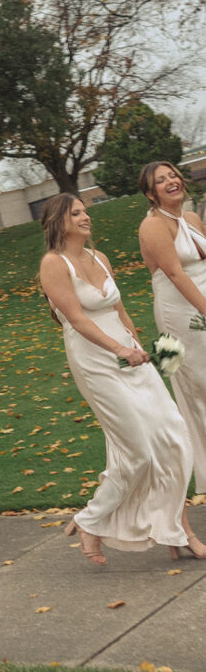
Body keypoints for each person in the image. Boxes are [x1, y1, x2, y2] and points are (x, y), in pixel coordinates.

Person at [39, 193, 194, 564]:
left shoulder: (99, 258)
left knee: (173, 434)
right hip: (95, 360)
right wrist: (118, 350)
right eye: (76, 213)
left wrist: (134, 343)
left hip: (130, 356)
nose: (85, 217)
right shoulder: (53, 264)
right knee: (138, 451)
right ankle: (91, 521)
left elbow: (118, 309)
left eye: (85, 211)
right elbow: (76, 319)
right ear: (59, 221)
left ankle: (174, 529)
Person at [138, 161, 206, 557]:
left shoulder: (193, 217)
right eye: (160, 180)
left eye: (173, 175)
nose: (171, 181)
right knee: (194, 402)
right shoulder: (152, 226)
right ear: (151, 193)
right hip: (182, 319)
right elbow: (177, 276)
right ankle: (173, 514)